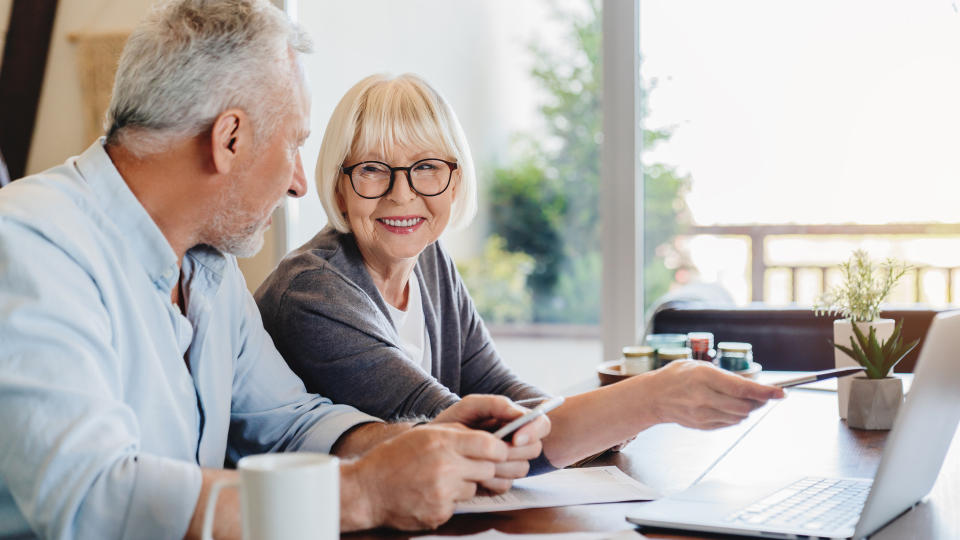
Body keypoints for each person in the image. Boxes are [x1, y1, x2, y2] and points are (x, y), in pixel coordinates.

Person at [0, 4, 550, 539]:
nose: (299, 183)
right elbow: (91, 498)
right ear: (229, 139)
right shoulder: (28, 246)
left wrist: (421, 441)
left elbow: (289, 421)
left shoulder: (208, 268)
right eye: (295, 145)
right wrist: (361, 492)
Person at [255, 73, 786, 470]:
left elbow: (498, 387)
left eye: (426, 168)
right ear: (340, 184)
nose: (402, 194)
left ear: (455, 180)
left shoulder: (430, 261)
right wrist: (646, 400)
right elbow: (469, 437)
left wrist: (598, 424)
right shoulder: (314, 293)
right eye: (372, 169)